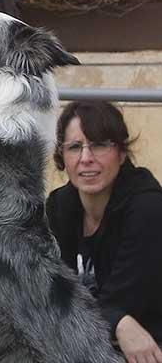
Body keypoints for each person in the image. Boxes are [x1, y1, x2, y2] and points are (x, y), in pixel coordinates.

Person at [47, 101, 162, 363]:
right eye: (75, 147)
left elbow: (125, 301)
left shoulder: (148, 208)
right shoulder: (58, 206)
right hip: (90, 341)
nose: (86, 158)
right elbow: (49, 291)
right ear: (62, 157)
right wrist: (118, 320)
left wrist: (117, 318)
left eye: (99, 144)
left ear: (121, 153)